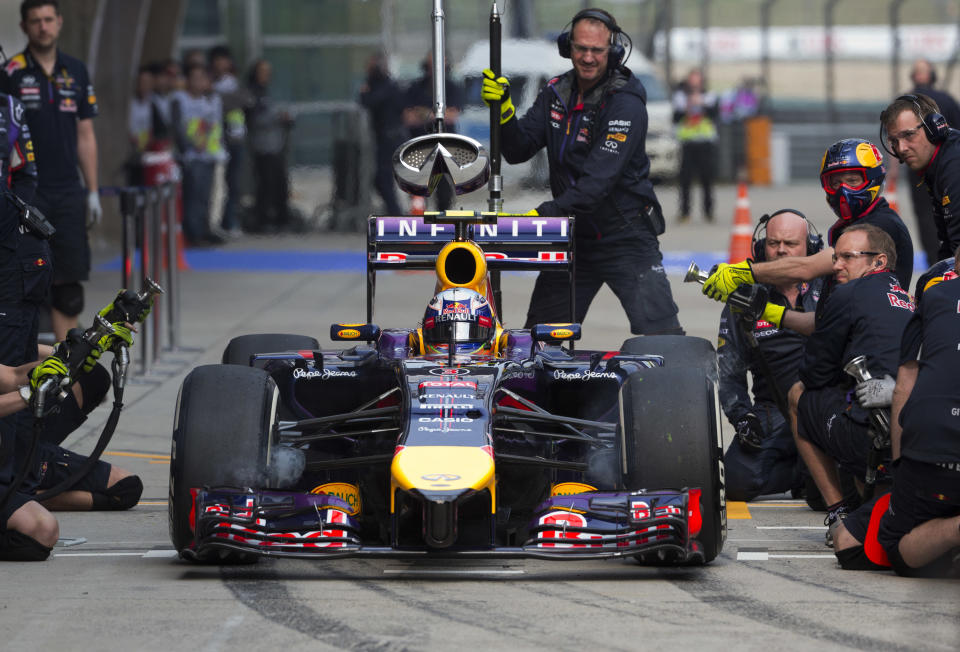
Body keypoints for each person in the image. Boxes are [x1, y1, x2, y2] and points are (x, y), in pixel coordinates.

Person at [480, 7, 683, 335]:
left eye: (597, 50)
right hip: (573, 238)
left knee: (664, 340)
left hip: (626, 237)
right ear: (567, 47)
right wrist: (504, 111)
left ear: (613, 52)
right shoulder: (555, 92)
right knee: (540, 341)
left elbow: (595, 185)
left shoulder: (626, 103)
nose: (588, 57)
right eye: (580, 48)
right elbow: (518, 150)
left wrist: (541, 214)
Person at [700, 138, 914, 335]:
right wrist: (764, 310)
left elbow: (807, 268)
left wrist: (745, 272)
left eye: (852, 180)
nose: (843, 191)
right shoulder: (847, 228)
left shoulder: (881, 226)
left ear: (873, 180)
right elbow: (824, 323)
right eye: (835, 183)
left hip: (868, 354)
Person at [831, 250, 960, 575]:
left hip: (932, 458)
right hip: (936, 459)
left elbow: (904, 384)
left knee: (865, 544)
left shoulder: (935, 296)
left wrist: (901, 465)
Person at [786, 224, 914, 545]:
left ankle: (838, 512)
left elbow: (815, 373)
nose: (837, 265)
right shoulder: (911, 300)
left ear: (878, 262)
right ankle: (873, 499)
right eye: (835, 257)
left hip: (874, 433)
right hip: (915, 436)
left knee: (797, 395)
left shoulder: (847, 293)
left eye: (847, 257)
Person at [0, 0, 101, 341]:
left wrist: (93, 191)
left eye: (48, 19)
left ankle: (67, 374)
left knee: (69, 286)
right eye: (35, 21)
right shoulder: (10, 72)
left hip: (68, 191)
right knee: (24, 281)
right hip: (24, 193)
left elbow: (86, 134)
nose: (43, 26)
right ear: (24, 26)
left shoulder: (76, 70)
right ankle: (24, 367)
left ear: (59, 22)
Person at [717, 210, 822, 502]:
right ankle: (800, 471)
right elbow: (729, 370)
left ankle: (809, 473)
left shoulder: (829, 286)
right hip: (771, 409)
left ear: (810, 248)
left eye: (791, 243)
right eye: (774, 243)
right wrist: (742, 415)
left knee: (825, 494)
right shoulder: (745, 295)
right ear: (762, 247)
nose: (781, 250)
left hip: (824, 404)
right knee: (735, 483)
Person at [880, 93, 960, 262]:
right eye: (894, 141)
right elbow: (948, 247)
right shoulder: (940, 162)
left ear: (934, 128)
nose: (901, 148)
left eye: (909, 135)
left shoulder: (954, 165)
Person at [904, 60, 960, 268]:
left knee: (925, 217)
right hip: (951, 166)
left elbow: (894, 141)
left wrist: (891, 173)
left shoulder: (904, 102)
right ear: (933, 75)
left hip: (917, 170)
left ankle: (933, 263)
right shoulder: (947, 99)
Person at [171, 62, 225, 246]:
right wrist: (189, 146)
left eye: (202, 78)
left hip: (209, 154)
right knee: (192, 195)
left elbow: (213, 125)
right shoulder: (180, 100)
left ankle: (205, 229)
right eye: (195, 78)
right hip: (191, 156)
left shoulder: (208, 100)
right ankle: (192, 233)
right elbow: (179, 128)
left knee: (206, 195)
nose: (199, 82)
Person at [403, 53, 463, 212]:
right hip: (419, 146)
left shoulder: (451, 87)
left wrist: (425, 114)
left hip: (444, 147)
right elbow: (409, 118)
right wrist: (436, 115)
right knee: (418, 192)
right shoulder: (415, 87)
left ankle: (443, 227)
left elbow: (451, 116)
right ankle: (420, 227)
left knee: (444, 193)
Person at [246, 59, 293, 233]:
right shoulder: (252, 93)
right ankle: (263, 219)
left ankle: (281, 218)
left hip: (277, 144)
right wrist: (276, 118)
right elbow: (254, 119)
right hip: (262, 145)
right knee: (265, 184)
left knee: (280, 183)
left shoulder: (271, 92)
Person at [209, 46, 250, 237]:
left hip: (236, 137)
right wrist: (228, 100)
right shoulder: (210, 84)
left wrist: (227, 100)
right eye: (217, 60)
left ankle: (230, 220)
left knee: (234, 183)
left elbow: (244, 100)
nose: (221, 64)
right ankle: (214, 223)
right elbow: (220, 104)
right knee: (217, 184)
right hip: (216, 140)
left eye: (224, 60)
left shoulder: (235, 83)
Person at [360, 52, 404, 216]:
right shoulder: (375, 84)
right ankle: (394, 212)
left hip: (391, 138)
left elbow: (370, 100)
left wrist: (365, 92)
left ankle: (396, 214)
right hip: (381, 138)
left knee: (383, 178)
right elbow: (364, 101)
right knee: (380, 180)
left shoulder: (388, 86)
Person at [673, 68, 719, 222]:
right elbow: (675, 118)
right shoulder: (680, 97)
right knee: (685, 179)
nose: (694, 84)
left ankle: (708, 211)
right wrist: (687, 107)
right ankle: (685, 212)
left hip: (705, 142)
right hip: (687, 142)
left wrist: (702, 104)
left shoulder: (709, 97)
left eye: (697, 80)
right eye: (692, 80)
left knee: (707, 179)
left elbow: (715, 115)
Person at [417, 288, 500, 356]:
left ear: (492, 331)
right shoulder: (413, 339)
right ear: (424, 333)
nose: (456, 348)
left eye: (473, 332)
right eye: (444, 333)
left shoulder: (506, 339)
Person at [126, 65, 154, 187]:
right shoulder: (130, 104)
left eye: (148, 82)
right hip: (131, 155)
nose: (144, 85)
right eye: (142, 82)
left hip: (148, 155)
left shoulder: (153, 104)